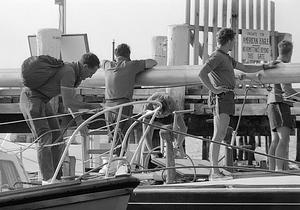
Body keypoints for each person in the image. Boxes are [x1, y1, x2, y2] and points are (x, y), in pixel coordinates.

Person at [198, 28, 277, 180]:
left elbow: (245, 68)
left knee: (220, 134)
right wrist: (214, 89)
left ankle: (215, 170)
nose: (234, 43)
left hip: (227, 96)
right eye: (233, 40)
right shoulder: (217, 56)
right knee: (219, 135)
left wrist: (264, 66)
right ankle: (214, 171)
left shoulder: (226, 58)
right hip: (221, 97)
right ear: (228, 40)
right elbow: (202, 73)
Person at [19, 53, 102, 184]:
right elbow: (69, 102)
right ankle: (48, 180)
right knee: (45, 138)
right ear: (85, 66)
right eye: (91, 73)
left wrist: (80, 122)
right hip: (31, 98)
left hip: (43, 100)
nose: (90, 76)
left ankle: (56, 177)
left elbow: (70, 102)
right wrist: (91, 105)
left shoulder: (74, 74)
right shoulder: (69, 72)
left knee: (57, 138)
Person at [102, 43, 157, 155]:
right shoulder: (130, 65)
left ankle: (113, 161)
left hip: (108, 106)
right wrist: (134, 62)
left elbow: (101, 62)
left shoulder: (107, 65)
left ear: (115, 54)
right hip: (122, 104)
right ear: (128, 55)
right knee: (123, 135)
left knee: (113, 136)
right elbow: (153, 62)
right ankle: (119, 161)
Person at [267, 40, 299, 171]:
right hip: (280, 103)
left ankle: (272, 170)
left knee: (275, 140)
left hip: (271, 102)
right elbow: (287, 91)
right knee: (284, 139)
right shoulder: (283, 66)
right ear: (291, 53)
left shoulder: (275, 63)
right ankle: (279, 171)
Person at [143, 93, 188, 162]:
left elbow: (183, 128)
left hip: (168, 116)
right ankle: (143, 168)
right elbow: (146, 134)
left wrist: (177, 146)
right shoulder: (148, 106)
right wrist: (151, 152)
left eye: (163, 114)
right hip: (152, 115)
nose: (161, 116)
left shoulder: (172, 106)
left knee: (176, 136)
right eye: (159, 114)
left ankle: (182, 162)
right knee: (146, 146)